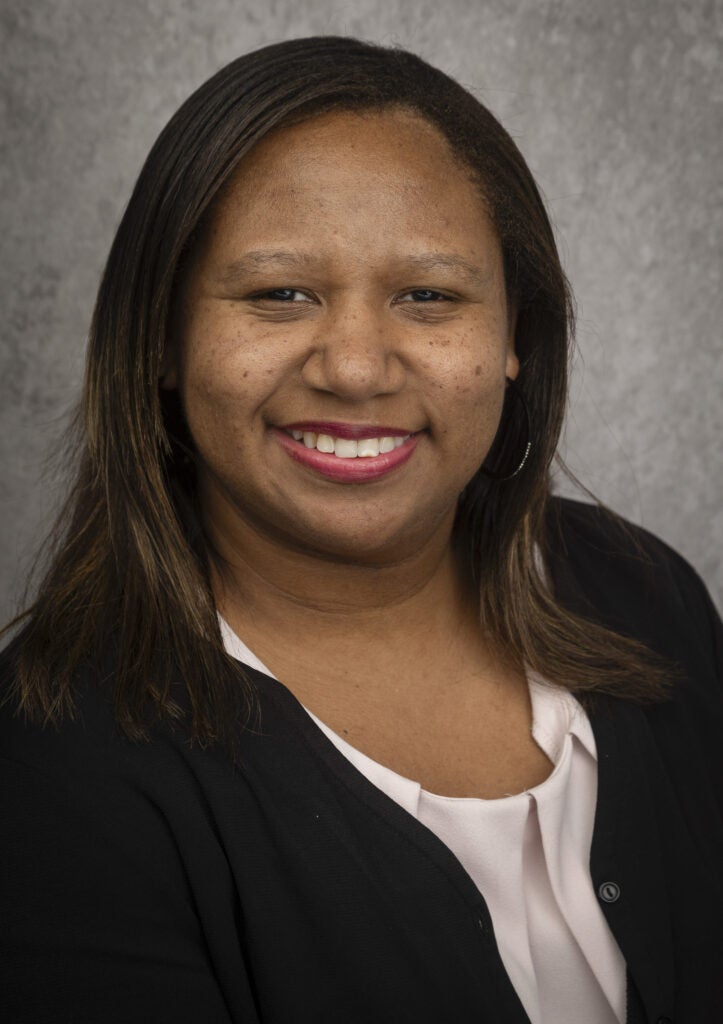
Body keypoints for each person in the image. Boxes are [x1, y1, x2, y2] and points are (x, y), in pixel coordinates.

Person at [0, 35, 720, 1024]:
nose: (355, 368)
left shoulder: (646, 596)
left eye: (428, 296)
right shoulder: (53, 768)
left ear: (516, 336)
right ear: (160, 338)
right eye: (279, 294)